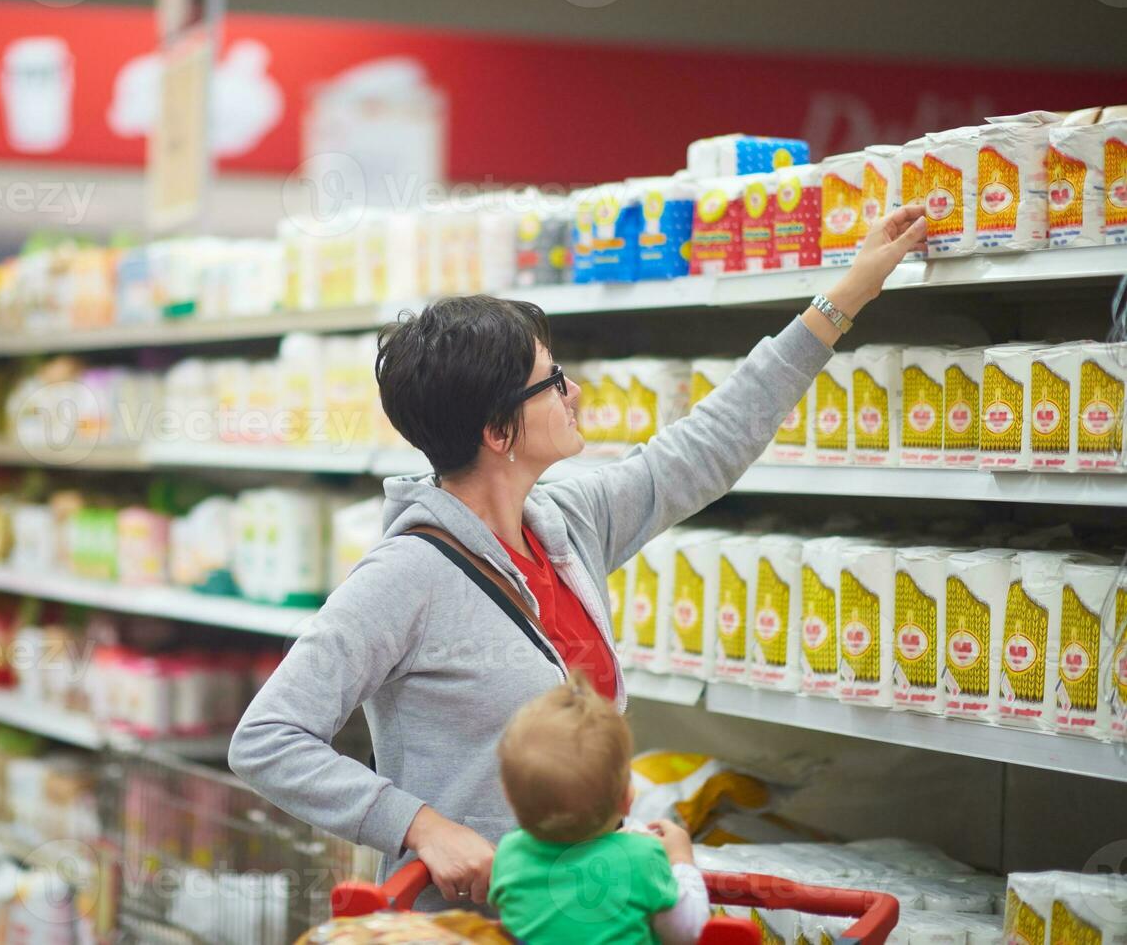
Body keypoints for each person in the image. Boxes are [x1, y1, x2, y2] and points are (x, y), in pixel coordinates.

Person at [229, 205, 928, 909]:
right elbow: (267, 739)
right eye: (552, 381)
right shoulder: (405, 577)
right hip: (475, 923)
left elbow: (704, 448)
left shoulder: (567, 523)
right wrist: (420, 825)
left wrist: (843, 299)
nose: (576, 393)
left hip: (582, 912)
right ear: (498, 429)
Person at [489, 672, 706, 944]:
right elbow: (689, 931)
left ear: (507, 796)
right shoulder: (643, 855)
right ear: (627, 799)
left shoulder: (509, 854)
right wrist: (681, 861)